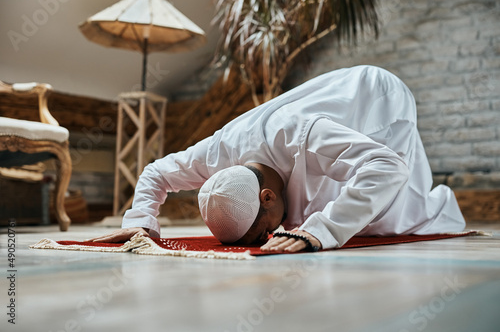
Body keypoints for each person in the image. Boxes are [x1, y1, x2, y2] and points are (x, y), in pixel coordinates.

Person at [89, 65, 466, 252]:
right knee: (326, 203)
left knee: (386, 214)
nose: (269, 237)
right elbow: (156, 172)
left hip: (378, 100)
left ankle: (432, 202)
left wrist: (321, 231)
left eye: (261, 231)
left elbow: (387, 166)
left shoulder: (300, 135)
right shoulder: (215, 156)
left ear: (266, 198)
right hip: (322, 128)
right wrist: (141, 221)